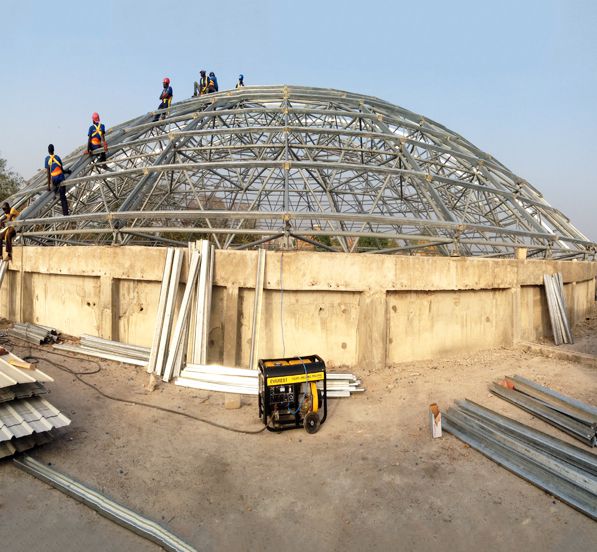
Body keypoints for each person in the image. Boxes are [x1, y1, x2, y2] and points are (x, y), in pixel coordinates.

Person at [44, 144, 69, 216]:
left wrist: (48, 186)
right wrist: (67, 171)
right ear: (53, 150)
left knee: (55, 190)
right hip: (61, 178)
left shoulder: (47, 159)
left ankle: (55, 195)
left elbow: (48, 173)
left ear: (48, 151)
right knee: (63, 197)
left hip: (54, 180)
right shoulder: (57, 157)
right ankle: (66, 214)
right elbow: (62, 169)